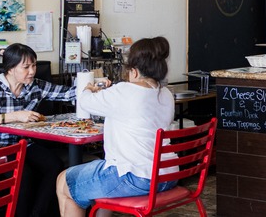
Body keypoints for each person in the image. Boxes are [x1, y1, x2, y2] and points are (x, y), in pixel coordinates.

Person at [56, 37, 176, 217]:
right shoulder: (165, 94)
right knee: (104, 176)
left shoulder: (125, 91)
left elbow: (85, 102)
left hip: (136, 178)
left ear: (134, 72)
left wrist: (89, 88)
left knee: (65, 182)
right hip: (167, 175)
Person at [0, 43, 76, 217]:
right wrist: (15, 116)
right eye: (26, 67)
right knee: (24, 175)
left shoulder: (34, 86)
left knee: (55, 165)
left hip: (23, 144)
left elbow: (68, 94)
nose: (32, 71)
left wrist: (93, 86)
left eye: (34, 65)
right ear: (10, 69)